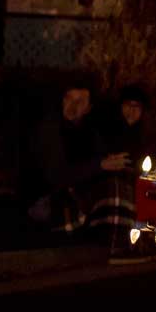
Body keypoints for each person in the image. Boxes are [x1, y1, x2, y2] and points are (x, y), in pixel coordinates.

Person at [30, 80, 140, 261]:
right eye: (69, 99)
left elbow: (99, 160)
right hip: (48, 198)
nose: (73, 106)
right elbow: (55, 176)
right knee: (112, 189)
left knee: (119, 184)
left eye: (80, 101)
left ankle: (126, 243)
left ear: (88, 108)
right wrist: (99, 165)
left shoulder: (89, 132)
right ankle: (115, 247)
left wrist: (110, 164)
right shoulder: (50, 129)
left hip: (77, 192)